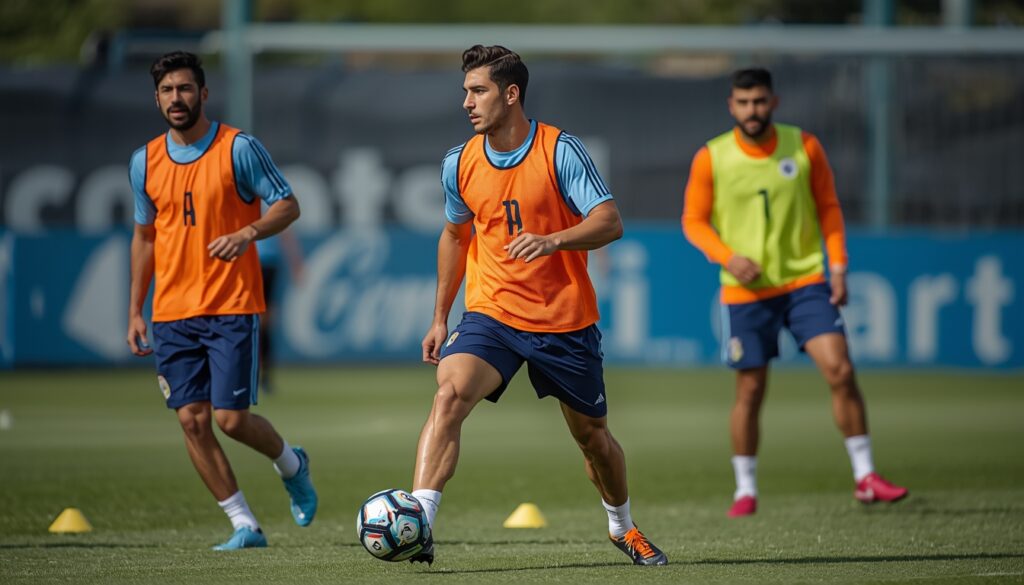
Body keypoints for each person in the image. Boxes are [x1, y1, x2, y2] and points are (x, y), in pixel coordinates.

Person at [409, 45, 667, 567]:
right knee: (449, 394)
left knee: (593, 439)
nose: (467, 103)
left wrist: (553, 240)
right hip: (493, 314)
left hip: (563, 320)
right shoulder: (459, 163)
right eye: (465, 91)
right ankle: (419, 521)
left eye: (478, 91)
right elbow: (455, 237)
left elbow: (609, 221)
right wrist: (439, 318)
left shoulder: (559, 151)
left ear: (511, 94)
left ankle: (622, 527)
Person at [681, 67, 908, 518]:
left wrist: (838, 266)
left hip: (804, 283)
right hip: (746, 292)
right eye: (744, 102)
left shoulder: (803, 146)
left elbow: (829, 208)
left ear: (774, 102)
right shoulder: (712, 157)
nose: (752, 110)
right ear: (731, 106)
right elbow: (693, 221)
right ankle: (745, 489)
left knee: (840, 369)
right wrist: (728, 257)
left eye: (759, 101)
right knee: (750, 390)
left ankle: (865, 476)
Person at [126, 51, 317, 549]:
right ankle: (243, 524)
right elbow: (144, 238)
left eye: (185, 88)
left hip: (231, 305)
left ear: (204, 94)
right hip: (171, 313)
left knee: (230, 420)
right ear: (157, 99)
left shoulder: (238, 148)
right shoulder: (144, 162)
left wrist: (248, 232)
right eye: (167, 90)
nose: (176, 98)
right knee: (191, 421)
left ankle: (291, 464)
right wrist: (134, 310)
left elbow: (288, 205)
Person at [256, 229, 304, 395]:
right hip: (252, 261)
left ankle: (264, 376)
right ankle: (260, 376)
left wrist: (296, 263)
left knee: (264, 323)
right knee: (258, 321)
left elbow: (286, 232)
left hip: (265, 264)